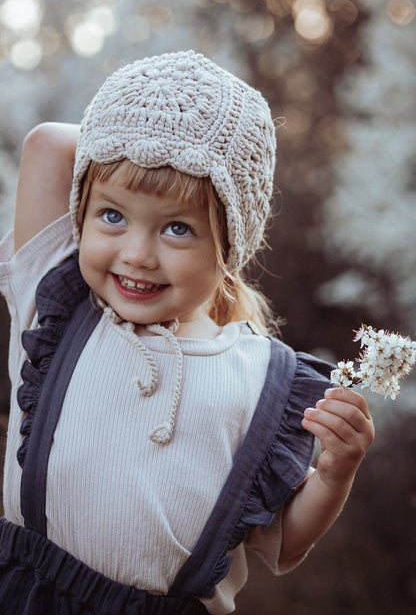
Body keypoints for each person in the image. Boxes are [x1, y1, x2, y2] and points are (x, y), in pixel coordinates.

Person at [0, 51, 374, 614]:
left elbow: (282, 542)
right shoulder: (57, 305)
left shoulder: (264, 381)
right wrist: (151, 139)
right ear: (82, 211)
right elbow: (49, 145)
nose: (136, 254)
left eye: (177, 228)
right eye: (112, 215)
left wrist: (335, 472)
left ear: (230, 244)